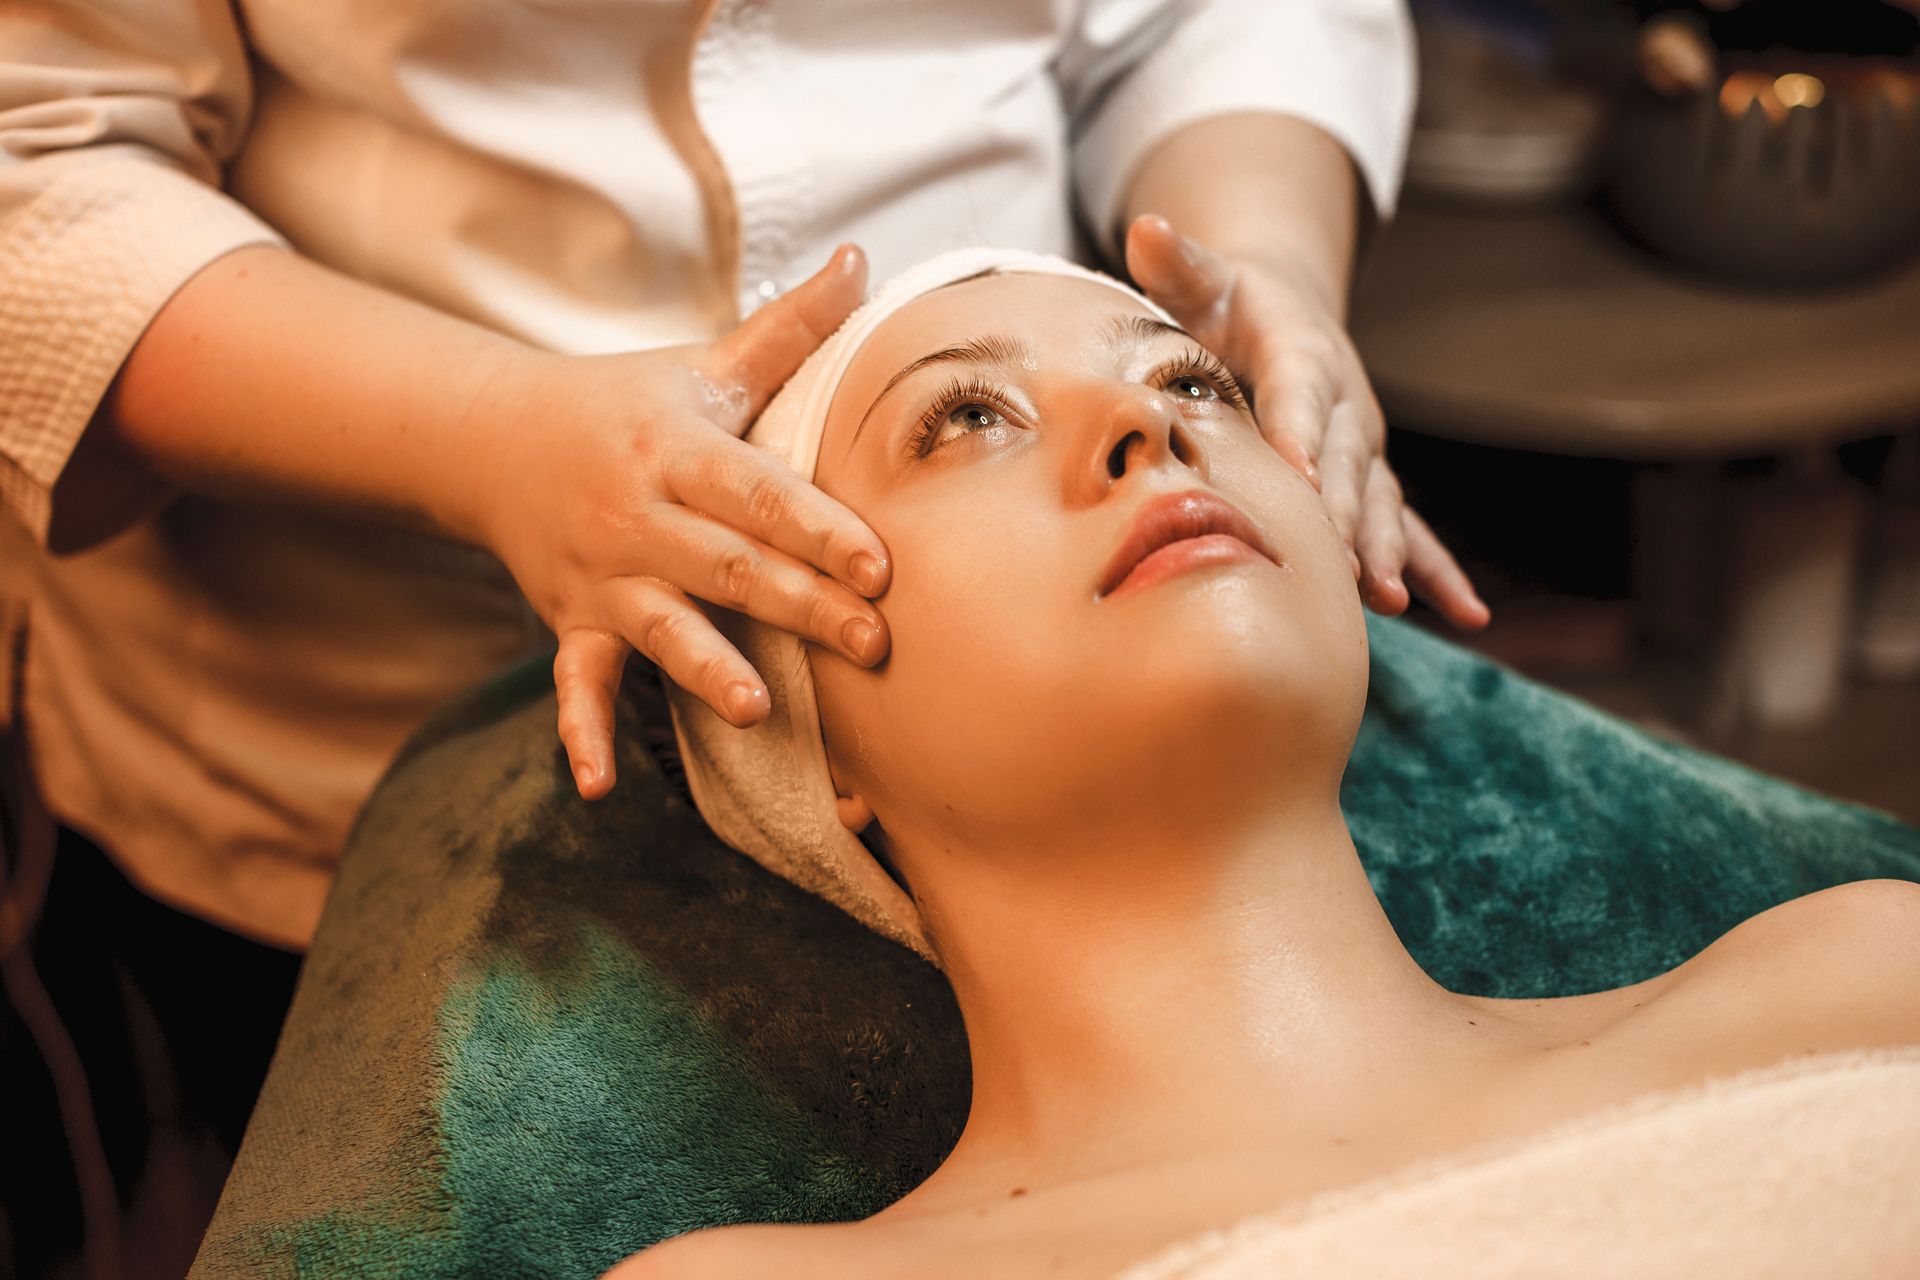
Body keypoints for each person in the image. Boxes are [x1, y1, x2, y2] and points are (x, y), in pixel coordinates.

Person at [621, 250, 1920, 1278]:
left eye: (1196, 384)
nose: (1145, 423)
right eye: (964, 418)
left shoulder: (1863, 982)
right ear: (800, 733)